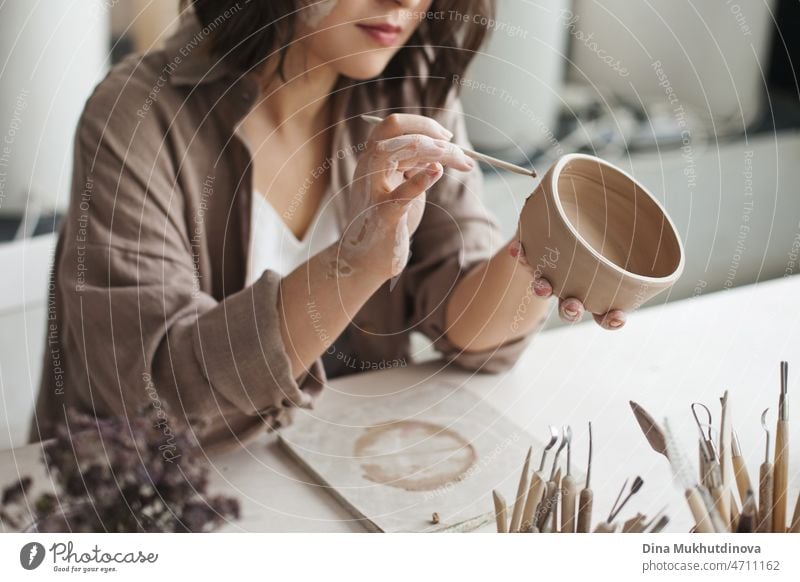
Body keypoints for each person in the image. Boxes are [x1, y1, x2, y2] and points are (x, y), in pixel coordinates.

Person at [31, 0, 626, 452]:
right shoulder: (137, 114)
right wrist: (357, 262)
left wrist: (546, 252)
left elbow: (465, 322)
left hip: (343, 467)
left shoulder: (410, 83)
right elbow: (152, 395)